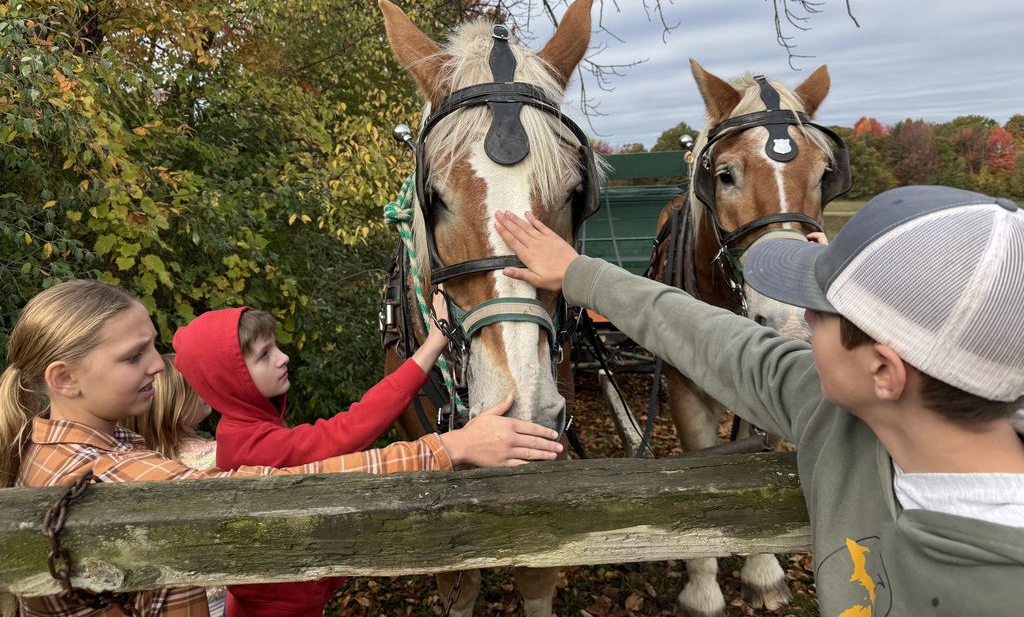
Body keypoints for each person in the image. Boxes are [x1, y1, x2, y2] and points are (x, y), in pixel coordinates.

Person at [494, 185, 1024, 616]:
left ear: (883, 371)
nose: (801, 318)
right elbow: (728, 346)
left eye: (820, 310)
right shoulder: (845, 409)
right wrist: (580, 274)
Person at [0, 280, 563, 617]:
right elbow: (316, 461)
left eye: (154, 347)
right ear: (63, 379)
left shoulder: (52, 439)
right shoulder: (118, 473)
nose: (158, 367)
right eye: (134, 356)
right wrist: (450, 446)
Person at [171, 292, 458, 617]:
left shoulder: (243, 426)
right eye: (265, 355)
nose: (283, 358)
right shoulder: (250, 444)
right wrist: (434, 343)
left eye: (275, 346)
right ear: (231, 382)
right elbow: (348, 430)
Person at [123, 358, 225, 616]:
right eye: (193, 385)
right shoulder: (213, 457)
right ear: (173, 403)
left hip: (167, 597)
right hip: (220, 593)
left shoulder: (138, 463)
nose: (204, 388)